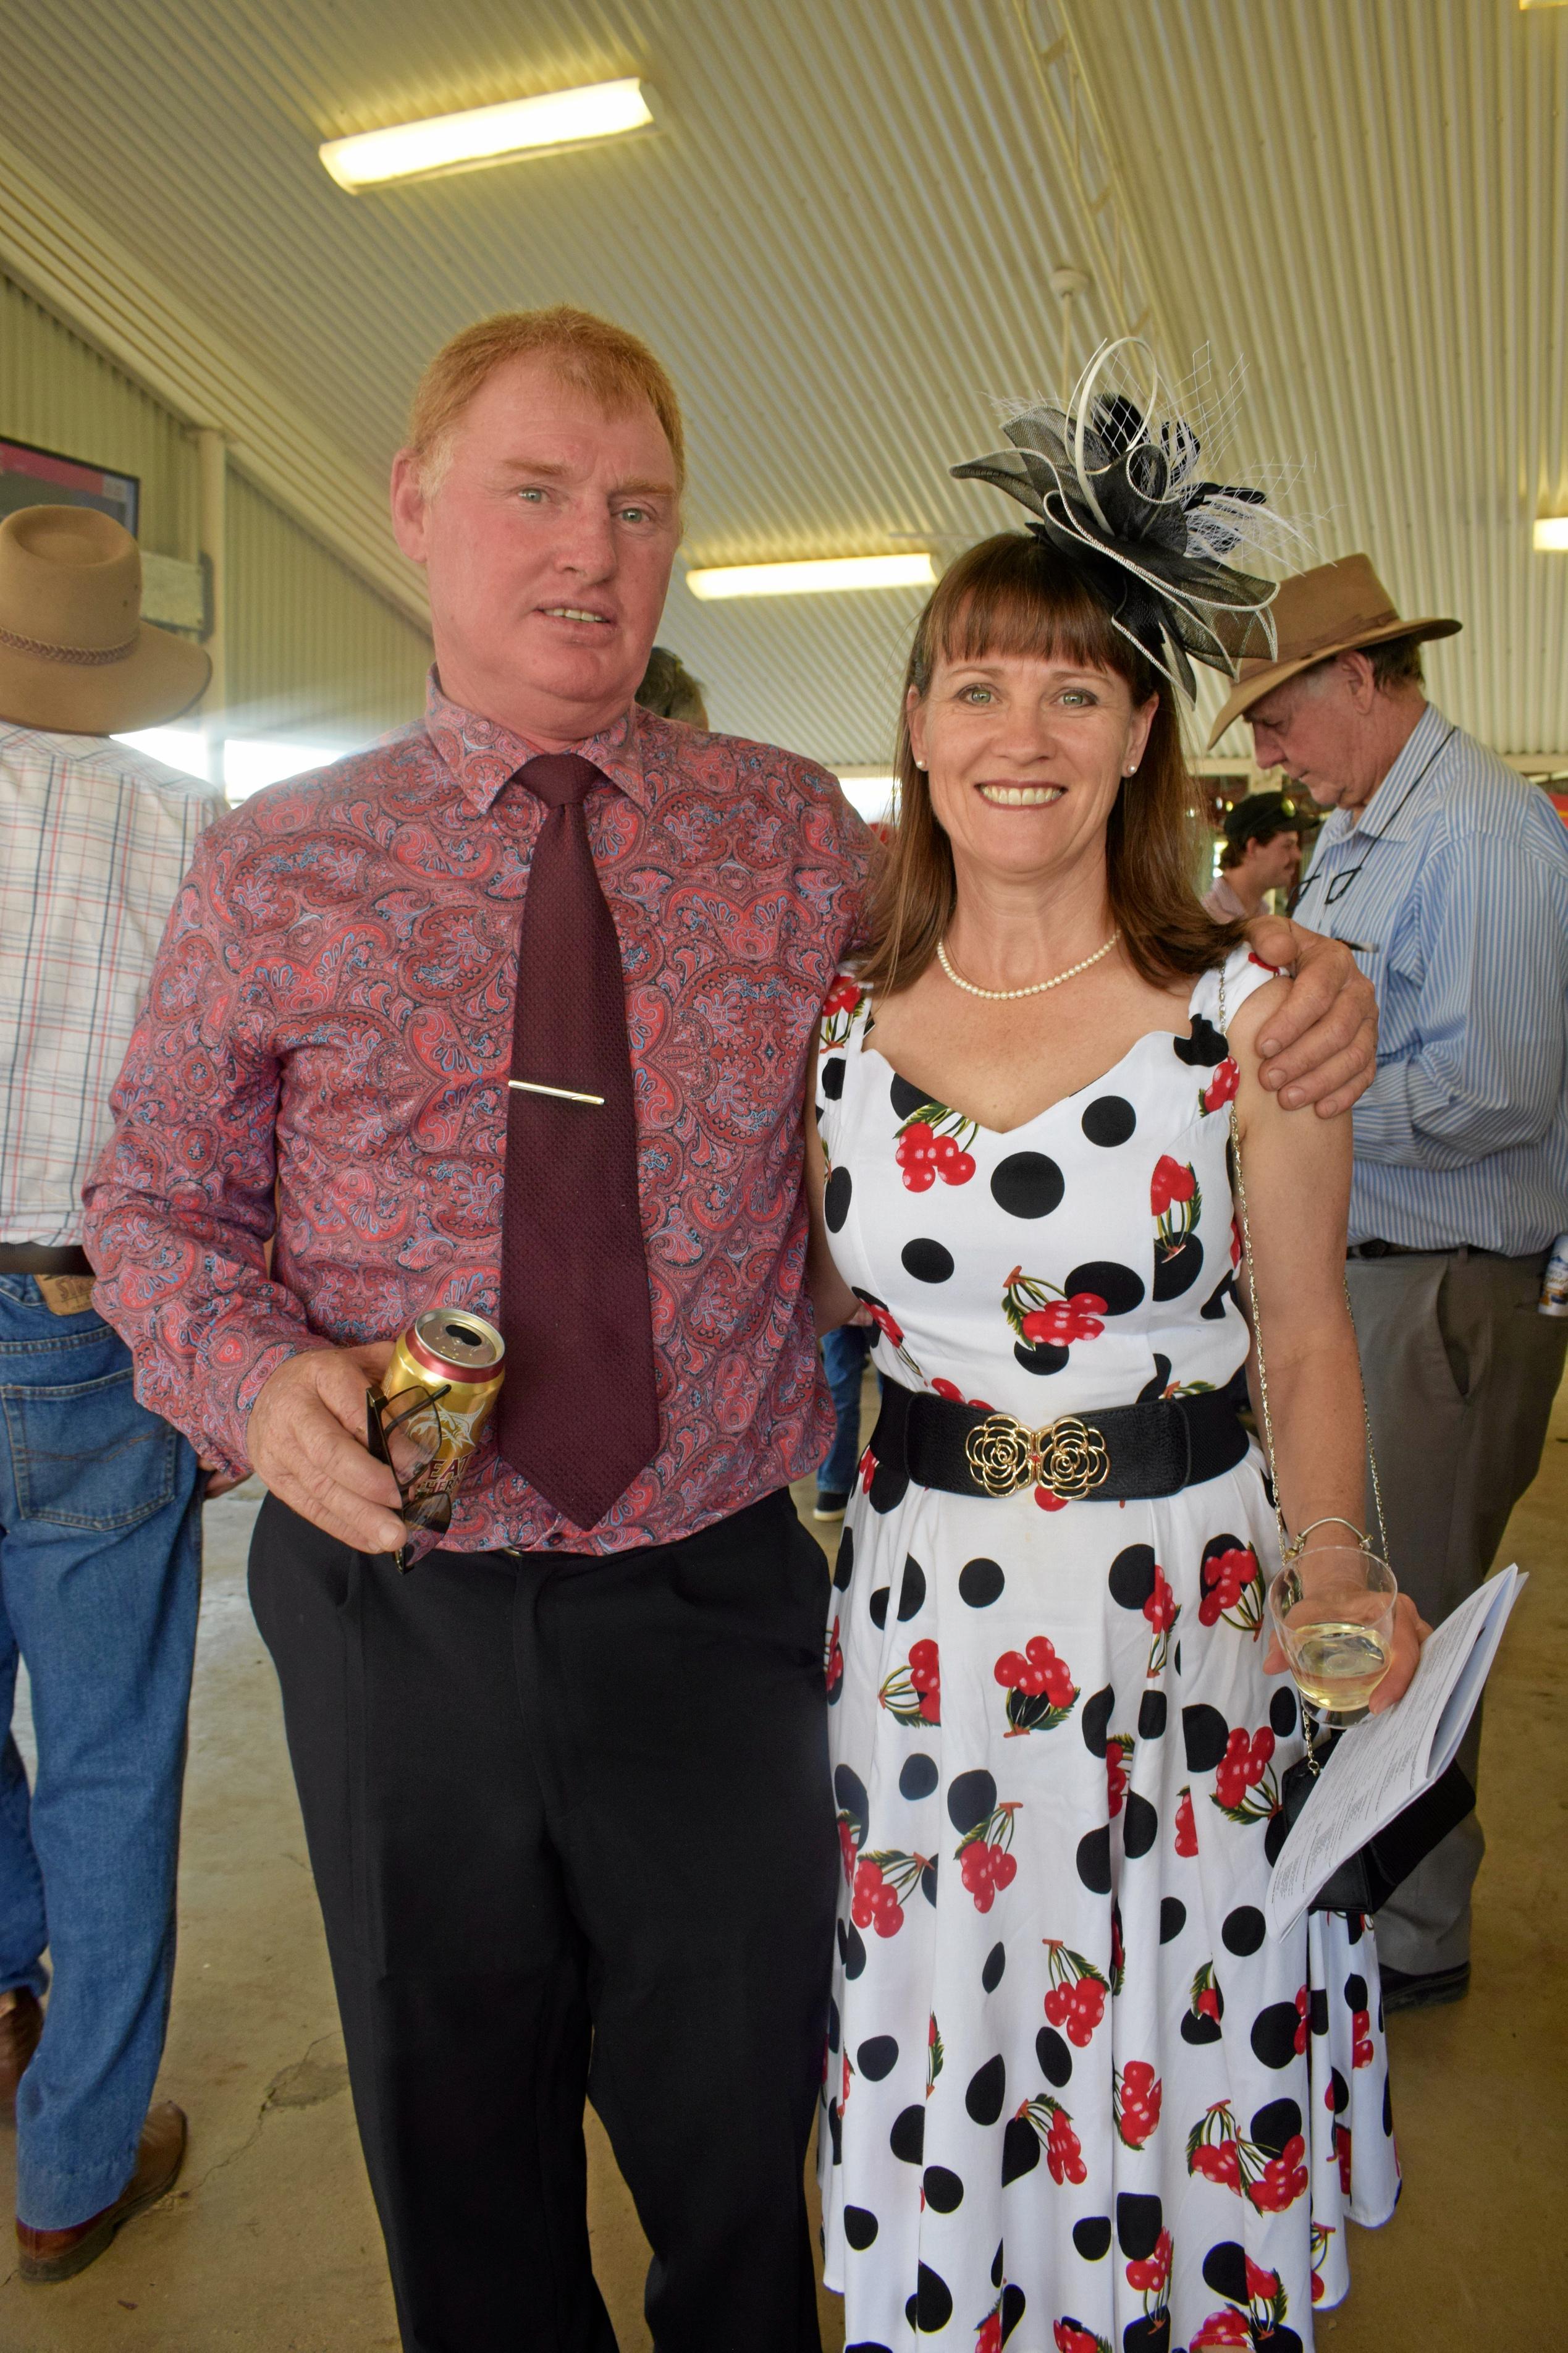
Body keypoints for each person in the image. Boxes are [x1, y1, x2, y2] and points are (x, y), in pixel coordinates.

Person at [84, 307, 1377, 2353]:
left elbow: (1047, 932)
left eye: (635, 508)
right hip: (393, 1607)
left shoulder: (792, 841)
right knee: (456, 2137)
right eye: (532, 492)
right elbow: (148, 1201)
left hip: (718, 1596)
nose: (588, 551)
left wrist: (1291, 973)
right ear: (415, 506)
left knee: (750, 2127)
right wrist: (251, 1370)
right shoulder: (275, 862)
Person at [806, 355, 1423, 2353]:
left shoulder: (1247, 1006)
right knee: (960, 2019)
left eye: (1073, 686)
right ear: (911, 720)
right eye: (974, 682)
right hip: (922, 1640)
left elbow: (1309, 1330)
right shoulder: (831, 1022)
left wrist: (1332, 1564)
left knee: (1166, 2025)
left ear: (1138, 726)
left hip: (1188, 1619)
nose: (1019, 728)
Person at [1210, 551, 1568, 2011]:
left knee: (1393, 1609)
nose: (1266, 752)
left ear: (1361, 681)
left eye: (1279, 718)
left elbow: (1494, 1086)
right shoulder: (1366, 831)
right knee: (1355, 1598)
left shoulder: (1476, 838)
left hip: (1436, 1284)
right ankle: (1365, 1883)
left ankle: (1407, 1928)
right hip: (1377, 1271)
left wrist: (1297, 1097)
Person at [0, 505, 214, 2280]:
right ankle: (71, 2167)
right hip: (92, 1311)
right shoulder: (184, 830)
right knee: (113, 1758)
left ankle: (5, 1974)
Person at [1203, 788, 1302, 920]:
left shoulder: (1260, 914)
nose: (1298, 855)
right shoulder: (1207, 922)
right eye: (1288, 846)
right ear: (1253, 847)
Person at [815, 1314, 875, 1521]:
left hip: (843, 1299)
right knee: (896, 1393)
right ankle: (898, 1480)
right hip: (885, 1302)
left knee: (839, 1391)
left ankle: (833, 1488)